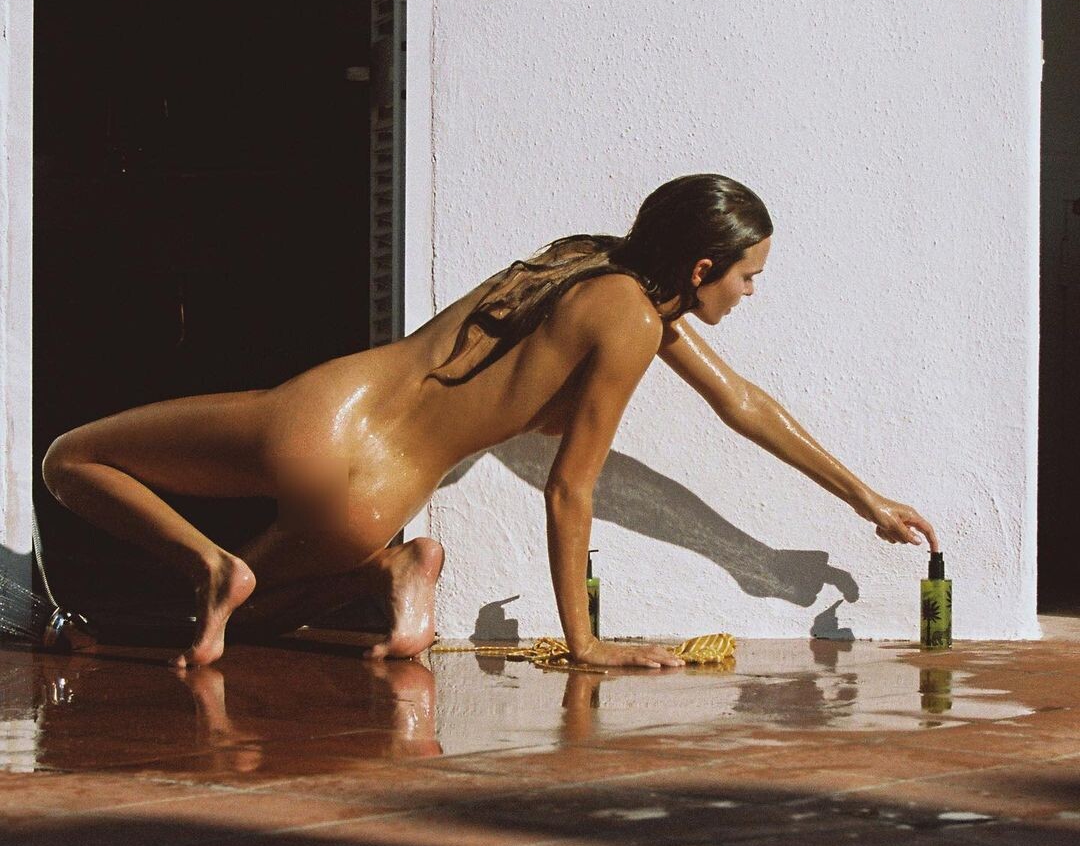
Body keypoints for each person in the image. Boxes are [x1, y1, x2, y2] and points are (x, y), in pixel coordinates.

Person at [42, 174, 938, 671]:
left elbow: (740, 401)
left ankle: (216, 564)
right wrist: (586, 645)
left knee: (74, 460)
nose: (750, 293)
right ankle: (378, 568)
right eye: (748, 277)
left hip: (319, 414)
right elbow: (572, 488)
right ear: (702, 268)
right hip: (375, 497)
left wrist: (864, 496)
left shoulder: (584, 262)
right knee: (248, 612)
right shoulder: (633, 322)